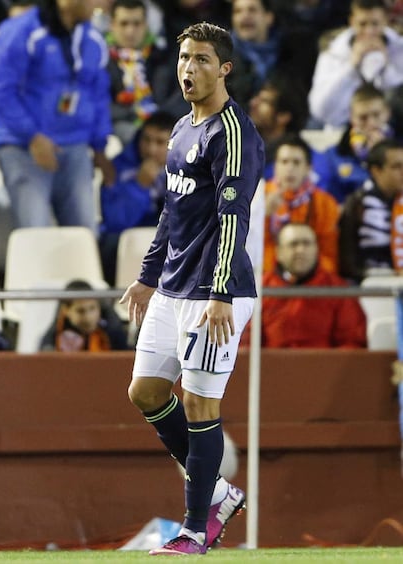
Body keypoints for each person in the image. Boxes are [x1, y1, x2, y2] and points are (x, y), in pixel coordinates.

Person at [119, 22, 264, 555]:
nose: (188, 68)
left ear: (224, 69)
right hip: (173, 288)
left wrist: (220, 291)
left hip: (216, 292)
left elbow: (233, 217)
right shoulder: (182, 129)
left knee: (202, 404)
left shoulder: (235, 134)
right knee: (147, 392)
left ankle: (194, 529)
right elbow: (171, 215)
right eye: (184, 58)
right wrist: (146, 276)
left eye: (202, 59)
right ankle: (220, 493)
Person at [0, 0, 114, 231]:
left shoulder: (92, 39)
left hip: (75, 145)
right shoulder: (19, 32)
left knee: (85, 233)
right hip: (24, 148)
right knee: (35, 232)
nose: (103, 3)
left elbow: (98, 94)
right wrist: (32, 137)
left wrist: (99, 146)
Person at [241, 223, 367, 348]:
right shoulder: (258, 289)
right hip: (271, 367)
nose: (300, 250)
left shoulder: (338, 290)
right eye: (293, 244)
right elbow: (245, 344)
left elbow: (353, 342)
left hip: (325, 367)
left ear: (317, 249)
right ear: (278, 252)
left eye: (306, 243)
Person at [99, 110, 176, 285]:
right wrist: (140, 187)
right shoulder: (117, 167)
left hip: (169, 237)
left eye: (160, 142)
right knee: (110, 243)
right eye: (146, 140)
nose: (151, 149)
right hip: (128, 236)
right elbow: (114, 222)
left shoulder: (190, 169)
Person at [308, 0, 403, 128]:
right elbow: (319, 109)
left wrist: (386, 67)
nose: (369, 31)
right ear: (352, 21)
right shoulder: (332, 51)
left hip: (392, 126)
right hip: (342, 125)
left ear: (386, 21)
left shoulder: (399, 49)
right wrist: (350, 66)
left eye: (375, 24)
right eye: (362, 24)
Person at [264, 134, 340, 274]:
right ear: (275, 166)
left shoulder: (325, 203)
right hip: (268, 279)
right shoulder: (257, 198)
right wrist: (264, 216)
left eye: (296, 162)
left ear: (308, 168)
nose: (290, 168)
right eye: (284, 162)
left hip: (311, 279)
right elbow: (248, 248)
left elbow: (329, 256)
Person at [313, 84, 394, 204]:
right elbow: (325, 199)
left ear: (387, 113)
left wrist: (383, 155)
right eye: (363, 118)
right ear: (351, 117)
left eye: (376, 115)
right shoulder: (334, 156)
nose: (371, 124)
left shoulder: (399, 151)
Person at [339, 138, 403, 283]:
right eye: (396, 167)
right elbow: (347, 258)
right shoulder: (357, 203)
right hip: (371, 282)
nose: (402, 172)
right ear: (376, 171)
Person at [105, 0, 166, 145]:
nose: (130, 31)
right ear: (112, 25)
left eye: (136, 24)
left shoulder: (162, 56)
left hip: (163, 126)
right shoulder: (100, 58)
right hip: (118, 129)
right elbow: (98, 104)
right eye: (124, 23)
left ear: (145, 25)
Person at [248, 73, 309, 180]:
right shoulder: (242, 146)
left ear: (283, 116)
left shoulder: (297, 159)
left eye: (264, 101)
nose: (253, 103)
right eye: (257, 98)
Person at [40, 279, 128, 351]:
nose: (88, 317)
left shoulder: (114, 332)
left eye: (92, 308)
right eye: (80, 311)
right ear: (66, 310)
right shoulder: (53, 339)